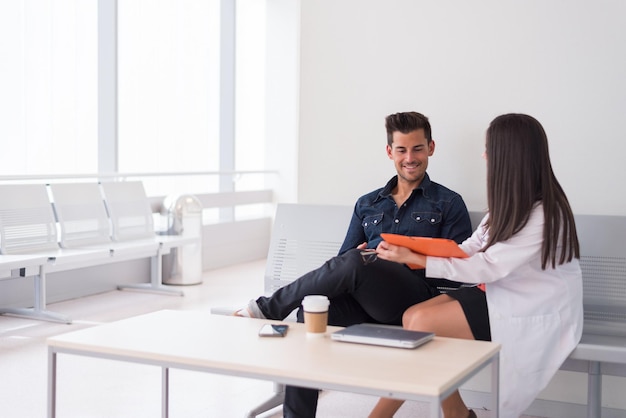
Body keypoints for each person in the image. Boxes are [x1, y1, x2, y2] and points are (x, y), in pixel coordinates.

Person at [236, 111, 473, 417]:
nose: (410, 158)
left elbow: (456, 278)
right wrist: (363, 260)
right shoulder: (368, 204)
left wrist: (405, 259)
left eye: (417, 149)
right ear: (390, 152)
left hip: (416, 302)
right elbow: (342, 263)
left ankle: (267, 308)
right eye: (401, 150)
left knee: (359, 262)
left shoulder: (448, 203)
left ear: (431, 148)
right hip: (366, 301)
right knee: (310, 318)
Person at [368, 113, 584, 418]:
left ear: (508, 156)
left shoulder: (545, 214)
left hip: (532, 307)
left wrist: (420, 260)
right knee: (413, 315)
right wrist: (415, 247)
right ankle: (457, 413)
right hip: (499, 292)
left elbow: (487, 267)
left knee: (423, 325)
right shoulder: (510, 204)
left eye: (489, 149)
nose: (484, 155)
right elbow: (470, 248)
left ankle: (380, 416)